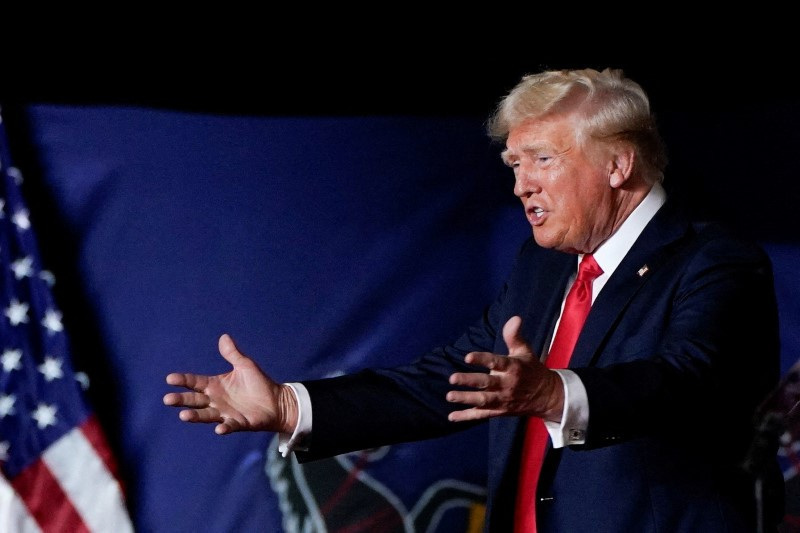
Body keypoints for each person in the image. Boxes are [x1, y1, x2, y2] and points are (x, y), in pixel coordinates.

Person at [163, 68, 784, 532]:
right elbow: (451, 381)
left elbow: (689, 383)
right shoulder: (542, 267)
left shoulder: (714, 261)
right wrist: (289, 405)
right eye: (514, 163)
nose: (521, 184)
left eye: (542, 159)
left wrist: (551, 393)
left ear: (618, 164)